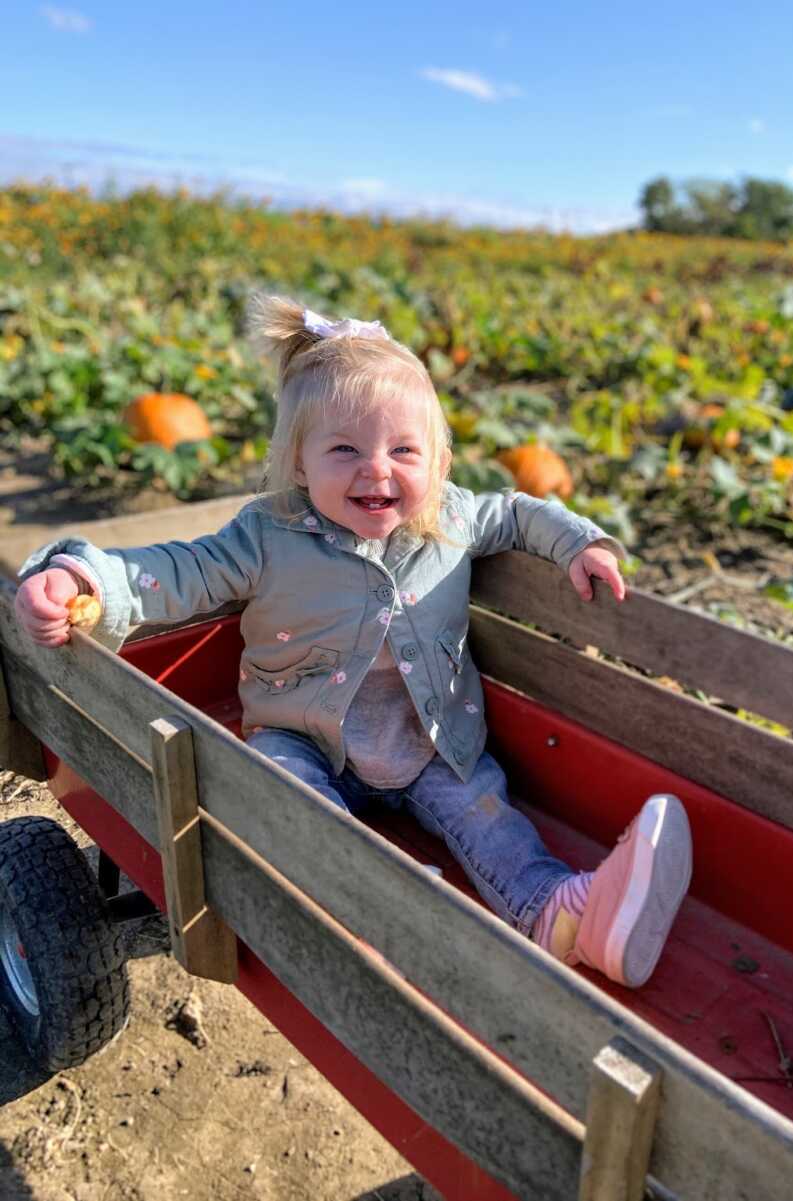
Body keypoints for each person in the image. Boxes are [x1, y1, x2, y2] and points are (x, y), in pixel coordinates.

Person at [15, 295, 692, 989]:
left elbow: (517, 513)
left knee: (490, 818)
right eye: (345, 449)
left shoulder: (452, 517)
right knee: (289, 801)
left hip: (429, 740)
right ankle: (380, 906)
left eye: (404, 450)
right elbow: (177, 570)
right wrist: (82, 573)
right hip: (305, 737)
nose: (377, 469)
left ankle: (564, 915)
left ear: (441, 461)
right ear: (300, 464)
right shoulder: (266, 535)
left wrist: (577, 542)